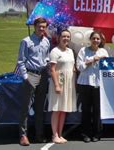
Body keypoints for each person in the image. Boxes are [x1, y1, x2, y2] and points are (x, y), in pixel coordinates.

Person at [16, 17, 50, 146]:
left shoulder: (46, 41)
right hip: (31, 75)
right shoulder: (26, 41)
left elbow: (46, 57)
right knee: (26, 107)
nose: (42, 29)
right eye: (39, 26)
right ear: (35, 26)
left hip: (43, 76)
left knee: (40, 107)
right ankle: (23, 135)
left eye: (44, 26)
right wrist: (26, 77)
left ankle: (39, 134)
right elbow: (20, 61)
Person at [76, 31, 109, 143]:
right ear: (90, 39)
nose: (95, 41)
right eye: (94, 38)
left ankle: (97, 133)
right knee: (86, 110)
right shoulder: (83, 51)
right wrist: (92, 60)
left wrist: (104, 60)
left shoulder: (103, 51)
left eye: (98, 39)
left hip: (98, 84)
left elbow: (107, 68)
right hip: (85, 83)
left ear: (100, 41)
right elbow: (80, 67)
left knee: (97, 110)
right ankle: (85, 134)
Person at [48, 30, 77, 144]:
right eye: (64, 36)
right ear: (59, 38)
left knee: (63, 110)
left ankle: (60, 134)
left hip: (69, 83)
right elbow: (52, 69)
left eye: (68, 37)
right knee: (56, 109)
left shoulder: (70, 51)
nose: (66, 38)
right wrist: (56, 85)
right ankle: (54, 135)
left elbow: (72, 67)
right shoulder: (55, 51)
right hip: (59, 82)